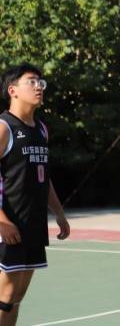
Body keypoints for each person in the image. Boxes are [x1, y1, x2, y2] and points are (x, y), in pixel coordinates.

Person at [0, 64, 71, 326]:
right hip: (8, 223)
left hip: (33, 223)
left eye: (41, 82)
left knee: (17, 296)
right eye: (31, 81)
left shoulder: (41, 129)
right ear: (13, 90)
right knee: (5, 295)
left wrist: (59, 214)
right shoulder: (4, 127)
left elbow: (44, 176)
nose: (39, 87)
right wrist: (2, 220)